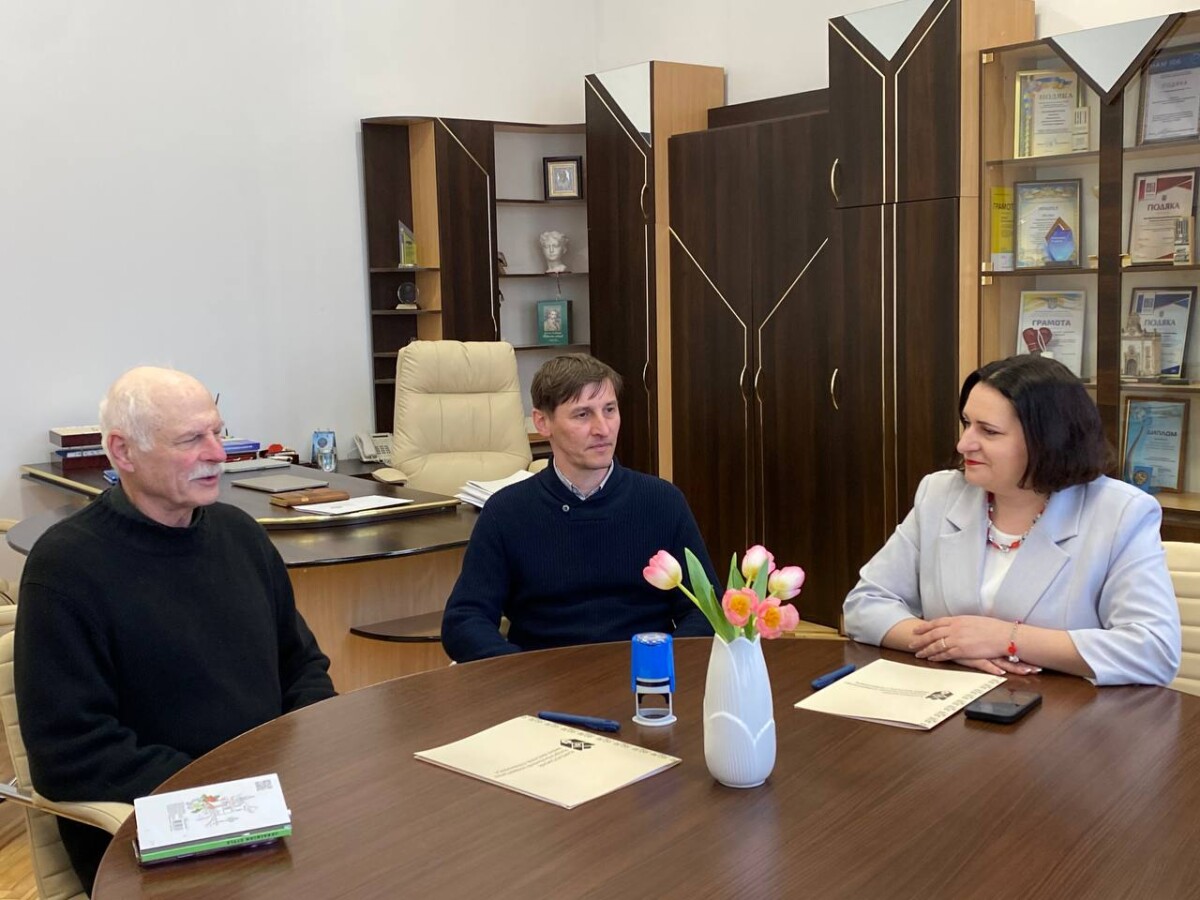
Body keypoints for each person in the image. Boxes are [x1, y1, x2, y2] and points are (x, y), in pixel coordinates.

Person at [14, 366, 335, 892]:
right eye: (191, 439)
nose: (218, 453)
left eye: (218, 432)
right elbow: (70, 751)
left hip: (271, 802)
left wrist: (316, 748)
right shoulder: (66, 568)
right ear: (122, 452)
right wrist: (227, 788)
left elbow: (301, 665)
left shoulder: (241, 535)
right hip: (151, 827)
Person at [843, 354, 1181, 686]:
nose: (963, 444)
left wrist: (1007, 638)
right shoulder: (940, 493)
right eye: (966, 423)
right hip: (949, 699)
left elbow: (1153, 650)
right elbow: (864, 605)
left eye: (989, 431)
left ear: (1048, 440)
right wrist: (951, 645)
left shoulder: (1120, 513)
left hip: (1065, 710)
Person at [441, 354, 716, 662]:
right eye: (583, 414)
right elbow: (464, 620)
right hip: (542, 677)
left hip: (645, 674)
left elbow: (706, 611)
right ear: (543, 422)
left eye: (609, 410)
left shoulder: (663, 502)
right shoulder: (506, 512)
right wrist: (519, 671)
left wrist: (657, 664)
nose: (603, 429)